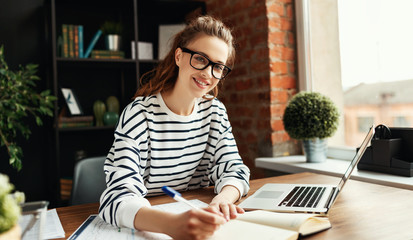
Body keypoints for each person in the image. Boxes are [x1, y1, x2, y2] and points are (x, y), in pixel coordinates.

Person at [99, 15, 250, 240]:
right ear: (179, 57)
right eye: (200, 59)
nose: (208, 74)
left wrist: (222, 200)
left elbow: (235, 170)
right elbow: (116, 198)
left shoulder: (215, 112)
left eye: (218, 67)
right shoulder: (139, 114)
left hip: (196, 222)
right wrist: (171, 226)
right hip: (152, 225)